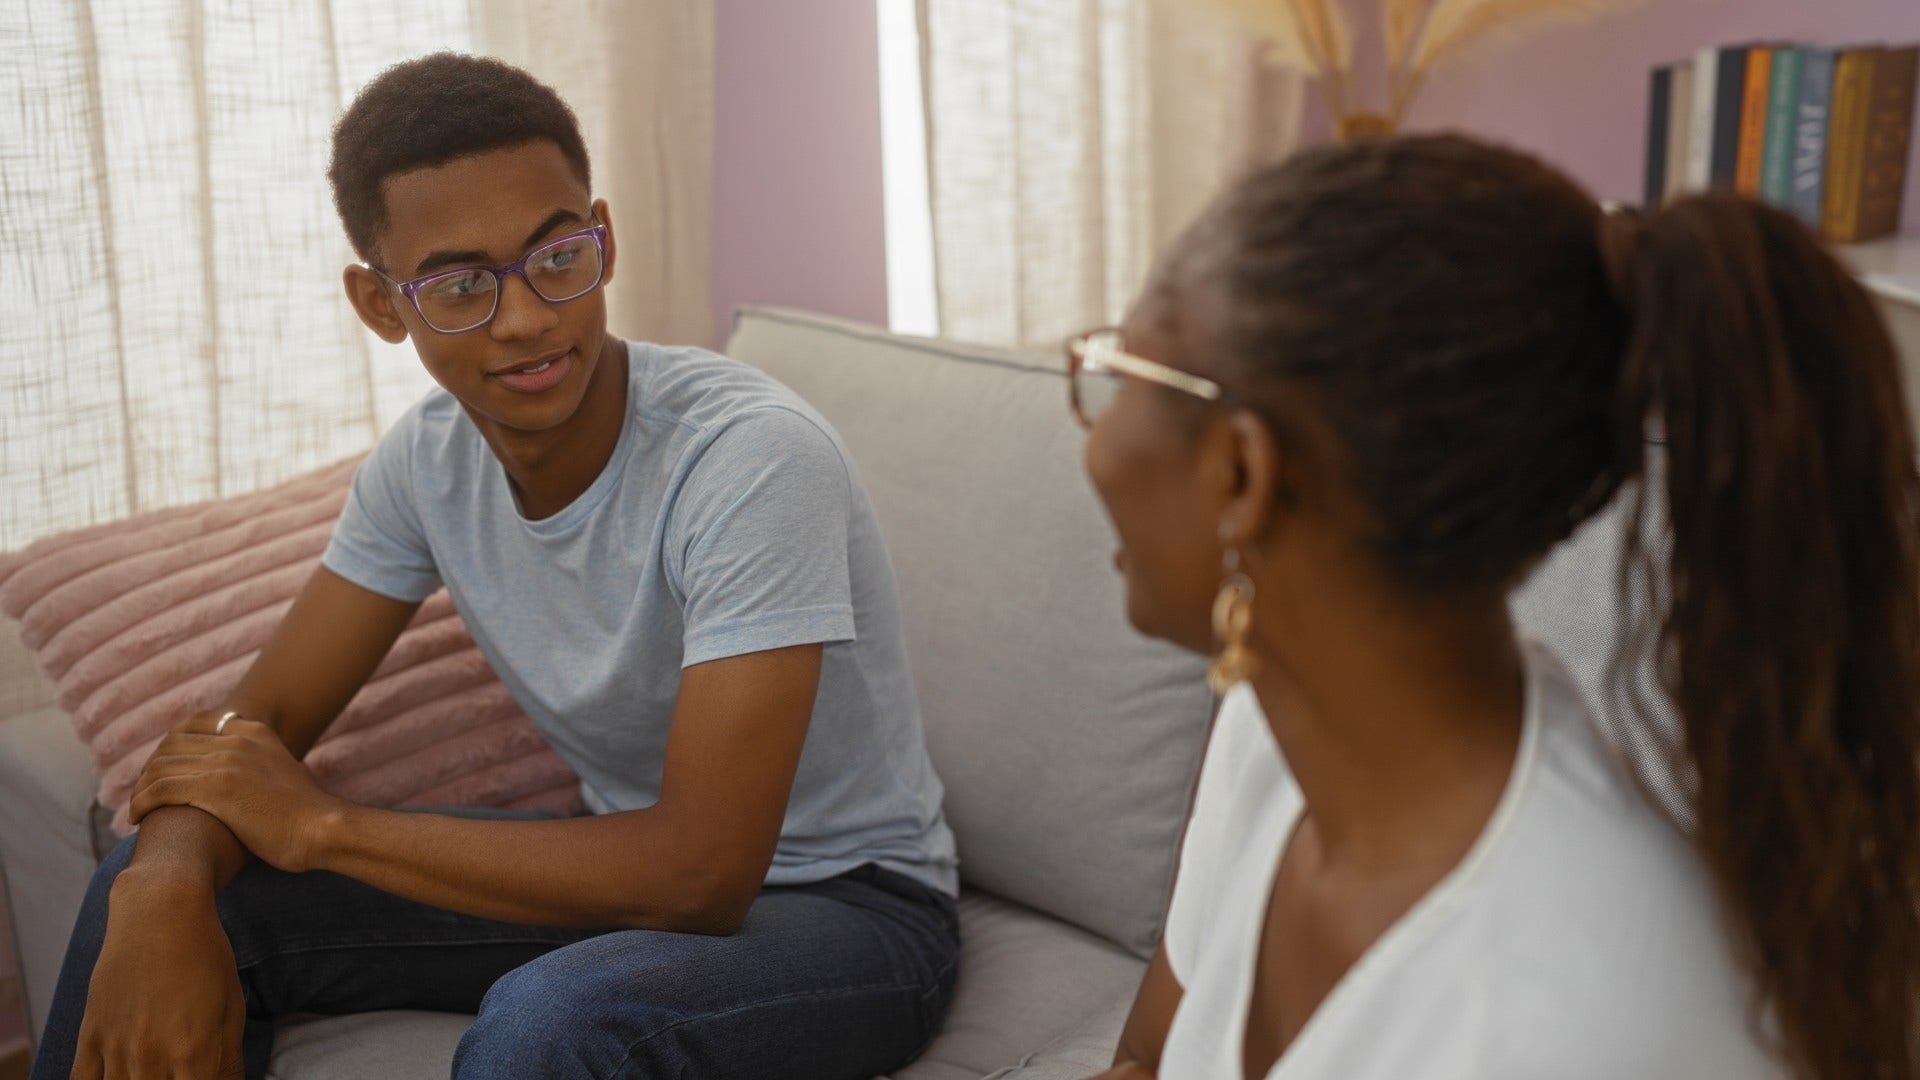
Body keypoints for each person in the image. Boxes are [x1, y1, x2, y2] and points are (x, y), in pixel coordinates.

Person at [33, 52, 959, 1080]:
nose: (527, 318)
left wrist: (324, 825)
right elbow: (259, 726)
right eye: (462, 284)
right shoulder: (426, 466)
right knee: (179, 886)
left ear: (600, 233)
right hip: (616, 888)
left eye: (558, 254)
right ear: (382, 306)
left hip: (854, 912)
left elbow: (701, 876)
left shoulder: (748, 459)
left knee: (555, 1017)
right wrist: (156, 878)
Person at [1070, 134, 1920, 1080]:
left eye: (1117, 375)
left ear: (1242, 472)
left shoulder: (1586, 1024)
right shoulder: (1273, 733)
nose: (1096, 439)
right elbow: (1151, 1061)